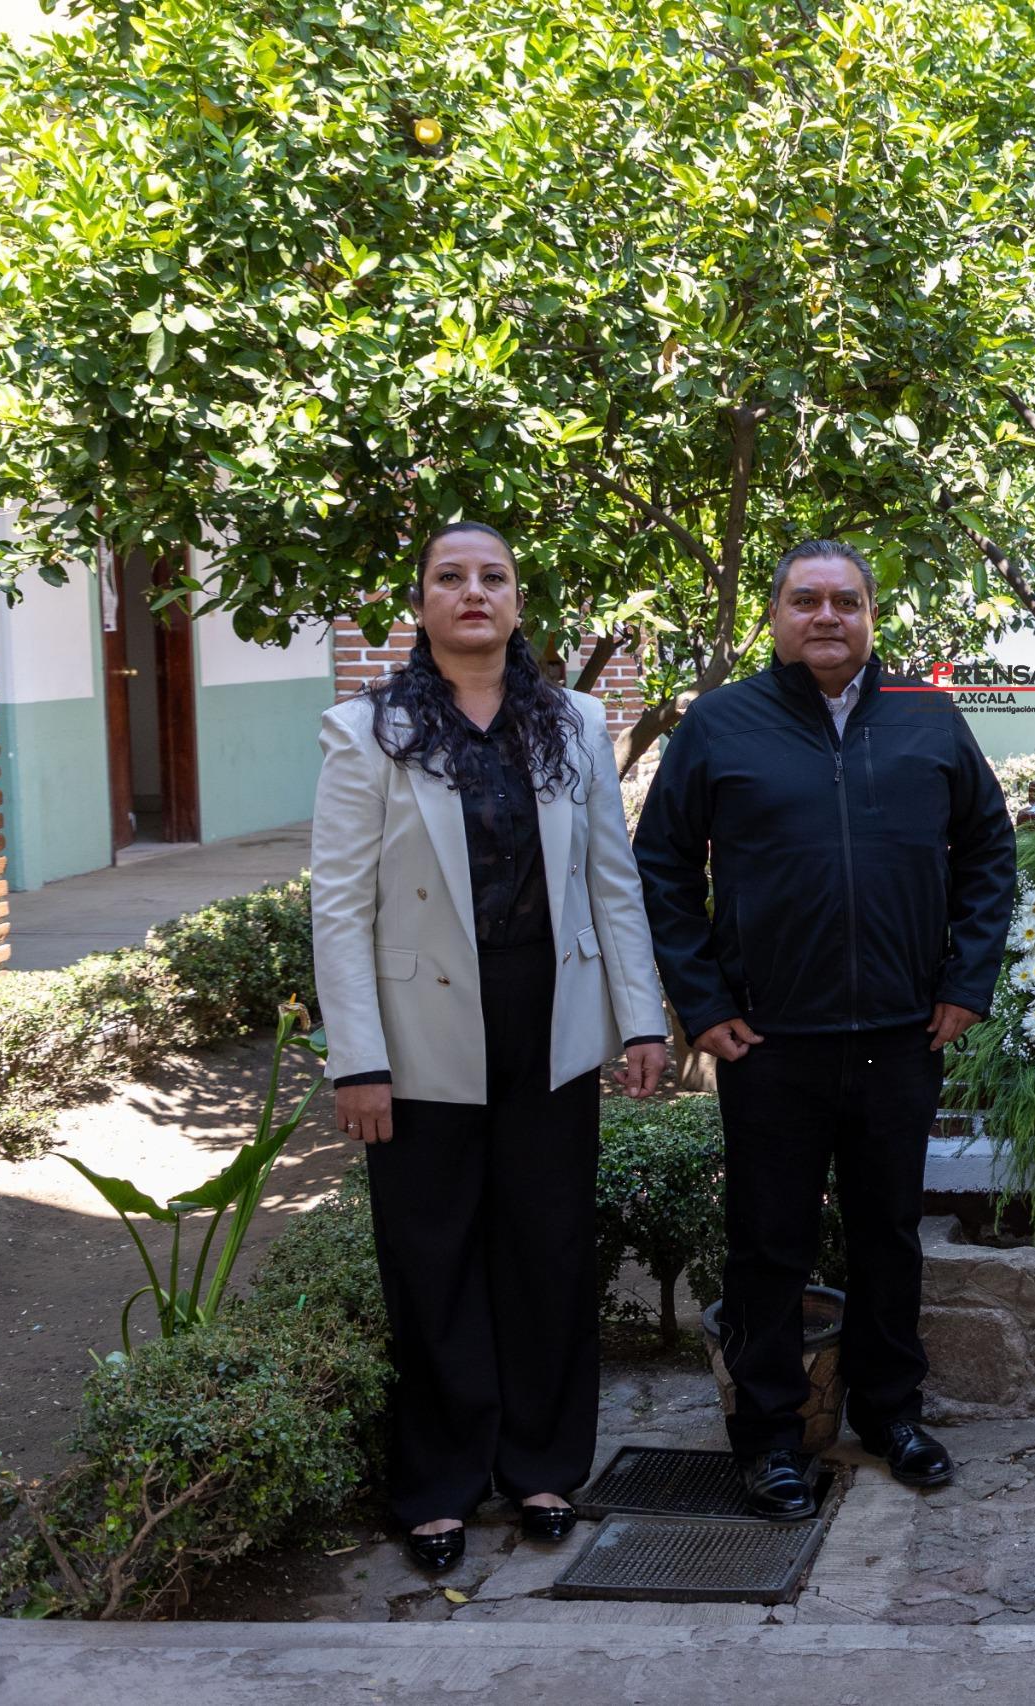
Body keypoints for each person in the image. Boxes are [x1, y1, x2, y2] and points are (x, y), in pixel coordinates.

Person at [634, 540, 1018, 1522]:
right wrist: (704, 1002)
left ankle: (892, 1414)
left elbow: (987, 849)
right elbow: (662, 866)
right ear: (776, 616)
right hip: (770, 1039)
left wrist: (966, 980)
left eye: (846, 600)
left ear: (870, 616)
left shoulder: (928, 717)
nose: (827, 616)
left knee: (887, 1232)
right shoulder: (720, 722)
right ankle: (771, 1436)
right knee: (768, 1241)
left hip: (901, 1032)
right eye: (805, 600)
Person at [312, 521, 669, 1574]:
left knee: (548, 1246)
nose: (473, 591)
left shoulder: (574, 720)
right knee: (431, 1256)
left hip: (549, 1020)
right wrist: (357, 1060)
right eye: (450, 576)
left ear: (517, 603)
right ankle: (439, 1483)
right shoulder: (366, 731)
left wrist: (640, 1017)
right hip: (418, 1034)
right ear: (420, 602)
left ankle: (543, 1465)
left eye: (493, 577)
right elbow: (340, 907)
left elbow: (612, 882)